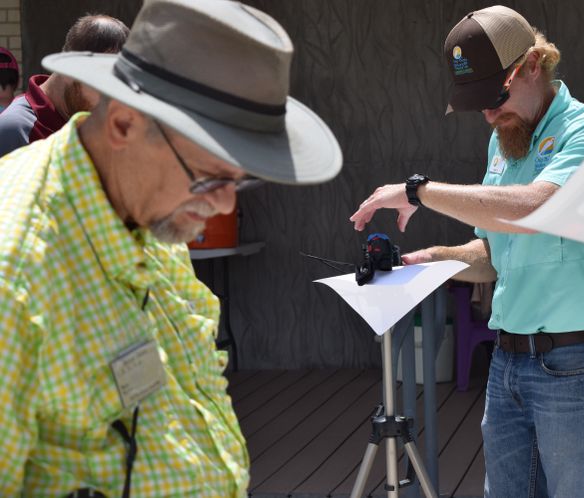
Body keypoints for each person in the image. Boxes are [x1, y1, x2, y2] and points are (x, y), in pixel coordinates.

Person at [0, 0, 341, 496]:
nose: (223, 204)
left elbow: (195, 373)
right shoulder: (15, 279)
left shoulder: (147, 211)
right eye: (207, 177)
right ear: (121, 125)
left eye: (238, 181)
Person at [350, 5, 584, 498]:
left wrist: (418, 190)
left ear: (533, 64)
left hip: (576, 361)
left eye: (494, 96)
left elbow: (534, 211)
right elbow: (497, 249)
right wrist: (436, 259)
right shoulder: (503, 140)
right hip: (508, 361)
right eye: (475, 102)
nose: (487, 112)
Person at [0, 14, 129, 156]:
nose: (110, 101)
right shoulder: (14, 131)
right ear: (69, 69)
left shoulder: (87, 121)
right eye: (104, 85)